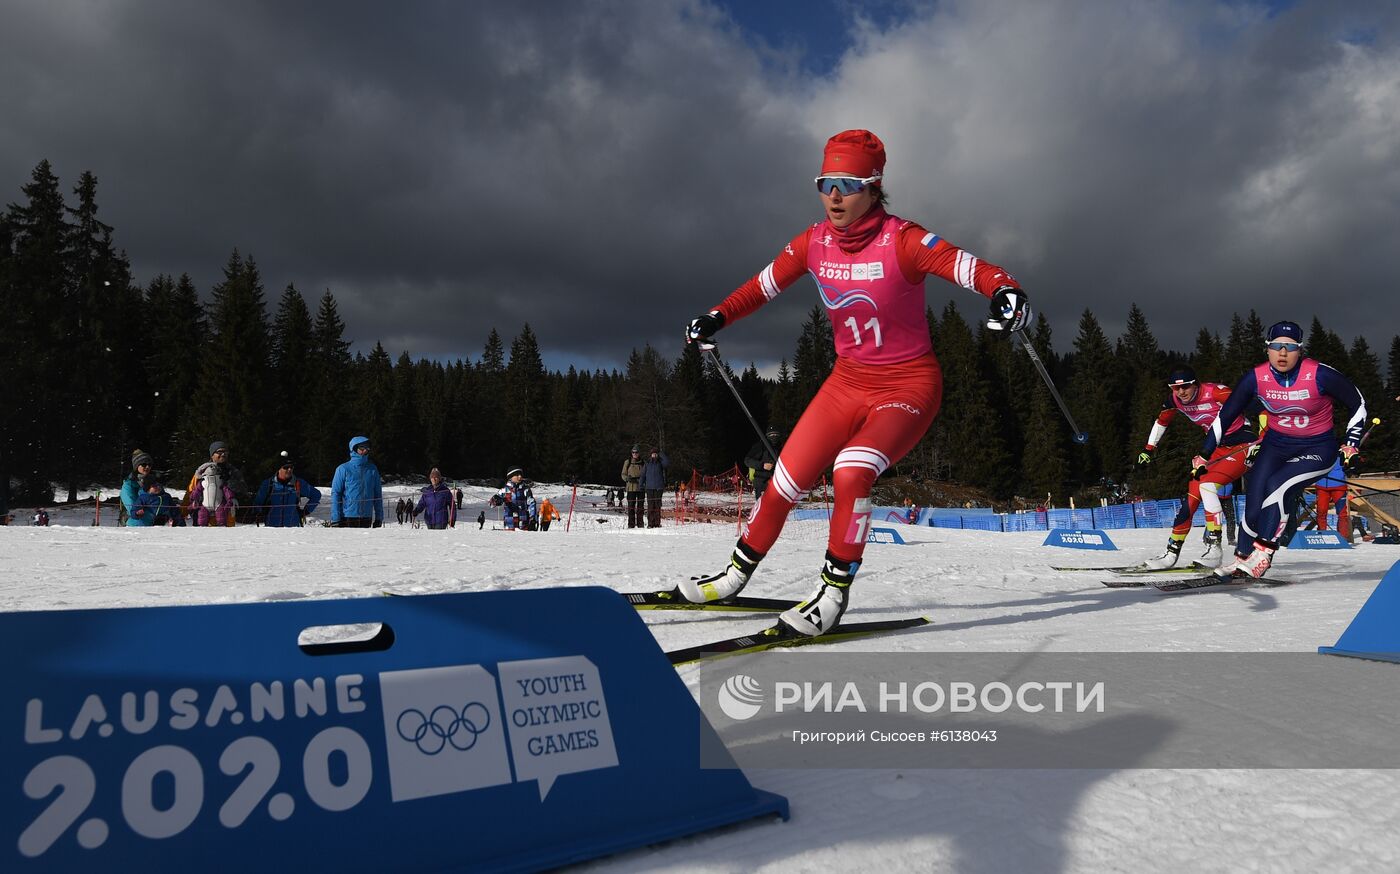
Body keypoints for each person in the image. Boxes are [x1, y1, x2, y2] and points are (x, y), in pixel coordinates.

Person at [678, 128, 1030, 636]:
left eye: (848, 183)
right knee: (783, 482)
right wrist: (717, 316)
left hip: (908, 386)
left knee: (851, 470)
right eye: (826, 182)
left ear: (874, 186)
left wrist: (1006, 291)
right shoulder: (814, 243)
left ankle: (832, 593)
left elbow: (967, 266)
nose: (835, 195)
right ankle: (733, 577)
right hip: (847, 382)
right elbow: (762, 286)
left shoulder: (903, 240)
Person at [1201, 321, 1367, 581]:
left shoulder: (1319, 374)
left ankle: (1264, 554)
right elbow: (1225, 416)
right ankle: (1242, 558)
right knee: (1254, 500)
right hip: (1276, 446)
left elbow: (1358, 403)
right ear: (1267, 349)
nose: (1282, 353)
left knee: (1279, 484)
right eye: (1276, 346)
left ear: (1300, 350)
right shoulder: (1255, 377)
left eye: (1290, 347)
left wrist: (1351, 442)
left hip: (1317, 448)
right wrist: (1204, 452)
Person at [1136, 366, 1257, 569]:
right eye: (1176, 388)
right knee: (1190, 500)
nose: (1181, 392)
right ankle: (1171, 554)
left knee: (1207, 486)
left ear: (1196, 384)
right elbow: (1162, 421)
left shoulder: (1216, 392)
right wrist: (1148, 449)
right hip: (1216, 449)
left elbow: (1256, 405)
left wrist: (1266, 434)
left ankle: (1215, 548)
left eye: (1185, 387)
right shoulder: (1174, 400)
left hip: (1243, 446)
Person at [253, 451, 321, 527]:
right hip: (272, 529)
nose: (289, 469)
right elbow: (258, 502)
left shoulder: (298, 483)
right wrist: (259, 512)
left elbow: (316, 495)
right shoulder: (268, 484)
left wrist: (306, 511)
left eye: (291, 467)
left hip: (293, 529)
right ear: (279, 469)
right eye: (285, 467)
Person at [330, 436, 384, 528]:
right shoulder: (343, 469)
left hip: (366, 517)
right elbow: (336, 494)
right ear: (354, 449)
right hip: (347, 516)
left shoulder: (372, 469)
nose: (365, 451)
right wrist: (335, 518)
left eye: (367, 448)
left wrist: (379, 518)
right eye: (361, 448)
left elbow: (377, 495)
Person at [186, 441, 240, 527]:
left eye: (225, 452)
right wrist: (183, 513)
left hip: (226, 518)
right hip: (203, 518)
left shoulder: (232, 471)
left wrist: (229, 485)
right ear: (212, 455)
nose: (223, 454)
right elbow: (191, 492)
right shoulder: (202, 472)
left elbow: (242, 489)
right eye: (219, 452)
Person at [1312, 456, 1351, 540]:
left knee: (1342, 512)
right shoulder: (1320, 450)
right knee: (1321, 511)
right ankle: (1321, 535)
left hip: (1339, 485)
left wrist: (1349, 469)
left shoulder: (1343, 452)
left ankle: (1343, 537)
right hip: (1321, 485)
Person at [745, 428, 782, 500]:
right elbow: (747, 460)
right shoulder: (760, 446)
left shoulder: (780, 447)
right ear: (767, 435)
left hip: (777, 480)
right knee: (764, 504)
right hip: (761, 481)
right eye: (771, 434)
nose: (774, 436)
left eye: (776, 434)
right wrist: (762, 465)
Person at [121, 449, 155, 527]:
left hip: (155, 525)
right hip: (135, 525)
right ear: (136, 466)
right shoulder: (128, 485)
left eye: (149, 464)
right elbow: (132, 509)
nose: (147, 467)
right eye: (143, 464)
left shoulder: (153, 481)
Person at [641, 447, 669, 528]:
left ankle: (657, 523)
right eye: (653, 454)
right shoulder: (647, 463)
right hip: (649, 488)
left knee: (657, 506)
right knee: (650, 506)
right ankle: (650, 523)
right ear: (651, 455)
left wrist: (661, 453)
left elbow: (667, 463)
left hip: (658, 488)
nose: (654, 455)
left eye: (656, 454)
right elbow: (643, 475)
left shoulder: (660, 463)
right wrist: (641, 485)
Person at [621, 445, 645, 528]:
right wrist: (628, 479)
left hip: (640, 487)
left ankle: (640, 523)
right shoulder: (627, 462)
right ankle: (631, 524)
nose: (635, 454)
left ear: (639, 453)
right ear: (631, 453)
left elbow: (646, 474)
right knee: (631, 506)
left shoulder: (643, 462)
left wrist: (642, 480)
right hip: (630, 487)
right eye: (633, 452)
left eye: (636, 452)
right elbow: (623, 474)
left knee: (640, 506)